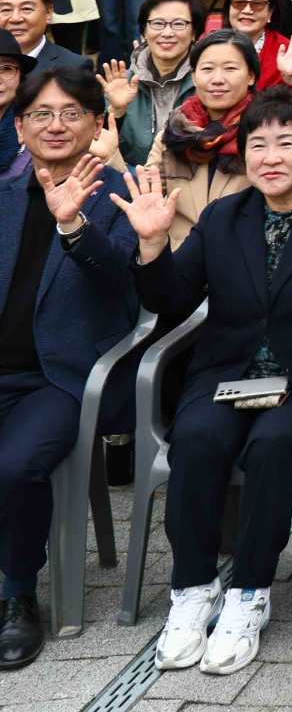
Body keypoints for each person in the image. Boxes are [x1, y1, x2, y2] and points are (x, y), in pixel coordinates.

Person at [123, 90, 292, 676]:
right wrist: (151, 243)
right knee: (195, 439)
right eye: (257, 144)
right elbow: (170, 299)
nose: (270, 156)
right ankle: (192, 591)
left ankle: (249, 596)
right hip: (227, 376)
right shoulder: (224, 216)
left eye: (286, 143)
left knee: (272, 443)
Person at [0, 66, 138, 670]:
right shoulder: (3, 196)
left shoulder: (118, 192)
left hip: (61, 376)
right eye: (41, 115)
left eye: (71, 114)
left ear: (95, 123)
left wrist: (72, 225)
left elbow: (122, 283)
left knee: (15, 465)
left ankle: (18, 596)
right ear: (19, 126)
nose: (55, 126)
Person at [148, 31, 282, 247]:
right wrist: (110, 156)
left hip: (246, 256)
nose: (217, 79)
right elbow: (143, 191)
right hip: (180, 257)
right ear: (193, 75)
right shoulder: (176, 132)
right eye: (207, 69)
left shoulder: (267, 132)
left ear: (251, 76)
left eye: (230, 68)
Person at [104, 0, 203, 168]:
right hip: (131, 183)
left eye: (179, 24)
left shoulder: (208, 81)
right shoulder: (122, 83)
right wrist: (116, 112)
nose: (167, 32)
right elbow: (100, 146)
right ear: (144, 32)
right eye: (157, 23)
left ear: (194, 32)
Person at [0, 0, 87, 74]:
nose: (15, 18)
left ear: (48, 13)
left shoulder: (74, 67)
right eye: (6, 10)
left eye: (26, 9)